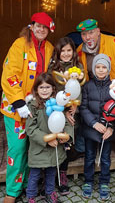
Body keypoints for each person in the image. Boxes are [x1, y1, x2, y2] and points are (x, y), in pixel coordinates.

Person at [76, 19, 115, 186]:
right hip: (95, 95)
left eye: (90, 32)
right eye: (84, 34)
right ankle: (87, 160)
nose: (87, 37)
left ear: (98, 31)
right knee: (87, 125)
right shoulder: (79, 51)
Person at [0, 12, 55, 202]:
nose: (41, 29)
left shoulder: (49, 48)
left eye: (44, 27)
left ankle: (26, 185)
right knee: (17, 148)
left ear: (48, 30)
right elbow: (9, 74)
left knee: (33, 147)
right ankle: (12, 191)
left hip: (37, 107)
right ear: (31, 26)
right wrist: (18, 101)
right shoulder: (19, 44)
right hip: (16, 108)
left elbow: (51, 76)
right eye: (37, 26)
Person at [25, 73, 73, 203]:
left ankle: (49, 193)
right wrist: (46, 139)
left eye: (47, 87)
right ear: (36, 90)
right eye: (41, 87)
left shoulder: (59, 104)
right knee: (34, 174)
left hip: (55, 147)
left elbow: (67, 123)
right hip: (39, 148)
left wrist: (67, 136)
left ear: (53, 89)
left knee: (52, 172)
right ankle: (30, 195)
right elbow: (31, 128)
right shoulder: (33, 106)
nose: (44, 90)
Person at [80, 54, 115, 200]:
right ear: (93, 68)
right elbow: (83, 108)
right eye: (98, 67)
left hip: (107, 131)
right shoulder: (87, 86)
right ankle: (88, 181)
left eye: (104, 67)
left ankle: (104, 182)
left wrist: (111, 128)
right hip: (91, 128)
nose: (101, 70)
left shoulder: (114, 87)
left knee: (105, 158)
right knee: (89, 157)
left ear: (108, 69)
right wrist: (94, 123)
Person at [47, 37, 84, 195]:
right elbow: (50, 91)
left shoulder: (78, 67)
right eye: (63, 51)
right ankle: (49, 176)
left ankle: (62, 174)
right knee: (53, 141)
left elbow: (78, 89)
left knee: (66, 141)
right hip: (56, 110)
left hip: (71, 110)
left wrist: (74, 107)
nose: (66, 54)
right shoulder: (53, 68)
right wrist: (62, 112)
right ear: (58, 52)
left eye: (69, 50)